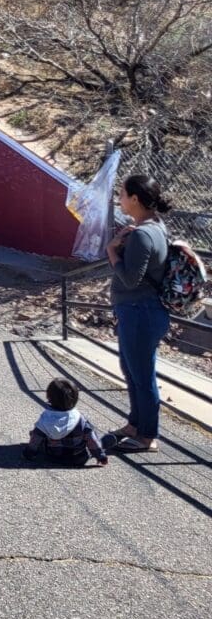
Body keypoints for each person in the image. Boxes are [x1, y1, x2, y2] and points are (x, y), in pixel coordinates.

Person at [104, 174, 171, 453]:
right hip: (139, 311)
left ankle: (147, 436)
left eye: (122, 194)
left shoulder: (144, 234)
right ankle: (135, 425)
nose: (119, 199)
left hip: (140, 311)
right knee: (132, 371)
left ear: (134, 198)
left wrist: (112, 251)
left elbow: (131, 279)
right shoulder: (152, 226)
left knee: (142, 375)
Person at [23, 377, 108, 466]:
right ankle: (104, 444)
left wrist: (29, 453)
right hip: (78, 458)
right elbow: (91, 439)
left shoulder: (45, 419)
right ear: (75, 398)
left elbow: (35, 440)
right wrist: (100, 456)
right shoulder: (80, 419)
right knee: (91, 435)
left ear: (48, 396)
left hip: (52, 456)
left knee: (38, 434)